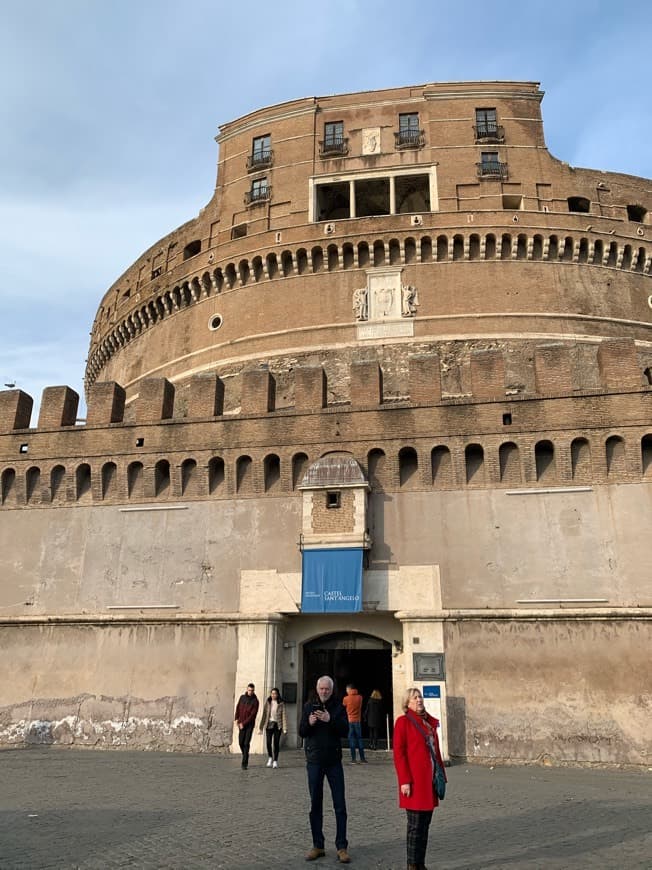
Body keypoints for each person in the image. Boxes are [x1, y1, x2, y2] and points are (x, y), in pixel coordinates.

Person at [393, 687, 447, 870]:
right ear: (407, 703)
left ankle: (420, 863)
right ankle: (412, 865)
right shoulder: (403, 722)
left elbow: (436, 752)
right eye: (414, 698)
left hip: (429, 782)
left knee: (424, 827)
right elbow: (399, 754)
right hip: (414, 782)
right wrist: (404, 781)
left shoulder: (428, 724)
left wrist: (441, 776)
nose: (419, 700)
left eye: (420, 697)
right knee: (415, 828)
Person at [299, 675, 351, 864]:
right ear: (317, 688)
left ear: (332, 689)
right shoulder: (308, 707)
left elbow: (345, 730)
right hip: (314, 760)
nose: (324, 692)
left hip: (333, 761)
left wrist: (330, 720)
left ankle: (342, 846)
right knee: (315, 804)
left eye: (327, 689)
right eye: (321, 688)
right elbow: (301, 731)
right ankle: (318, 845)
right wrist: (310, 723)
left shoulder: (338, 707)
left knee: (339, 804)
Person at [258, 687, 288, 768]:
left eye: (275, 693)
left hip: (278, 725)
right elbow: (264, 715)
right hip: (269, 724)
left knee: (276, 743)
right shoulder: (268, 702)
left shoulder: (281, 703)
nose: (273, 695)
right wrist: (261, 727)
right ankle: (270, 757)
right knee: (268, 742)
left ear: (277, 694)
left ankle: (275, 761)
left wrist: (285, 728)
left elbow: (284, 715)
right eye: (272, 693)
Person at [234, 682, 259, 770]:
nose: (250, 692)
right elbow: (237, 708)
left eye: (252, 690)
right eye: (249, 690)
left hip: (249, 725)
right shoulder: (242, 698)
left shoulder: (255, 701)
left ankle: (244, 763)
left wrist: (243, 723)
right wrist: (236, 718)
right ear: (247, 690)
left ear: (254, 690)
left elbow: (253, 715)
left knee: (246, 743)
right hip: (241, 724)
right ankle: (245, 755)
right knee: (241, 742)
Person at [342, 683, 367, 764]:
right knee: (359, 739)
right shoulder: (360, 697)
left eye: (346, 690)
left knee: (352, 739)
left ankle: (353, 759)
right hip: (358, 721)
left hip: (350, 721)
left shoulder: (346, 698)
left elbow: (343, 706)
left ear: (349, 689)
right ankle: (362, 758)